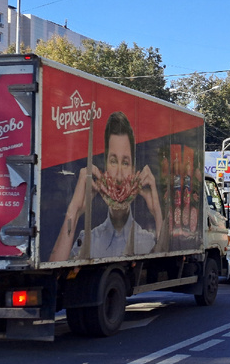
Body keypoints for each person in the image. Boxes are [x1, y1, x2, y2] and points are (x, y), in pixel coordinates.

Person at [49, 112, 165, 262]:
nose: (118, 175)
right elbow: (55, 267)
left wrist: (157, 212)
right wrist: (74, 211)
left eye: (125, 163)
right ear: (104, 169)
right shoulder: (87, 240)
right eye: (113, 161)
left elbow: (163, 259)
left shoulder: (147, 240)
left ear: (133, 170)